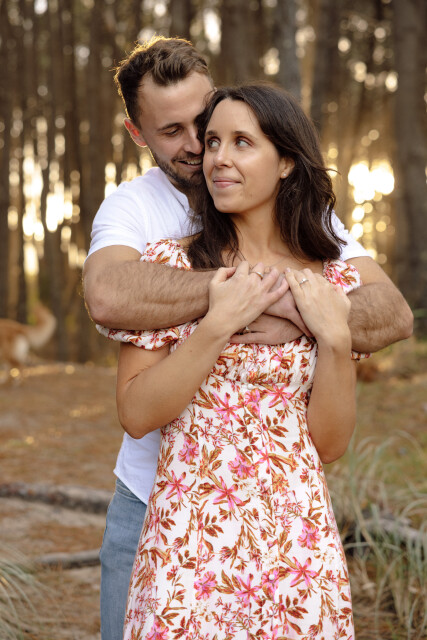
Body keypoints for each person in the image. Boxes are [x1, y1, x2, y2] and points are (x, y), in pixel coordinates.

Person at [82, 37, 413, 639]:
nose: (204, 150)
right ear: (138, 134)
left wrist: (314, 321)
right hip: (178, 521)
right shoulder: (148, 231)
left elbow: (334, 431)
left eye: (225, 134)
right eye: (187, 135)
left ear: (285, 160)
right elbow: (108, 300)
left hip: (294, 537)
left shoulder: (323, 266)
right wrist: (223, 311)